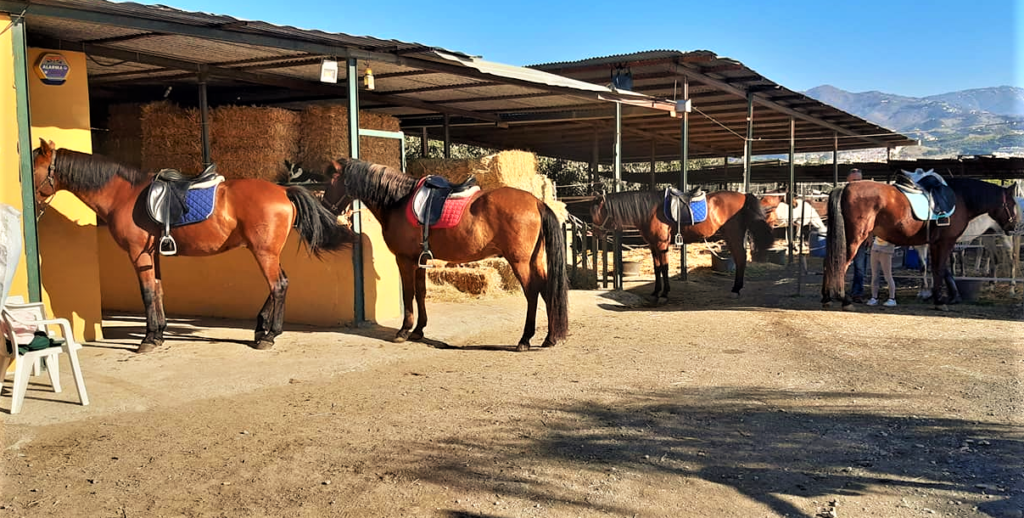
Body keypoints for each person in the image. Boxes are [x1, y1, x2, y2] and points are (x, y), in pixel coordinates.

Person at [846, 168, 870, 303]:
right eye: (855, 180)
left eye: (859, 180)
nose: (858, 183)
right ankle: (837, 289)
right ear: (848, 180)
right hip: (844, 236)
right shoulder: (841, 196)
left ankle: (857, 292)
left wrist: (870, 235)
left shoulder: (867, 199)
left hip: (860, 237)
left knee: (860, 267)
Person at [867, 236, 897, 307]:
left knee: (888, 276)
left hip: (886, 250)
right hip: (875, 249)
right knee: (874, 275)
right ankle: (874, 297)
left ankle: (892, 298)